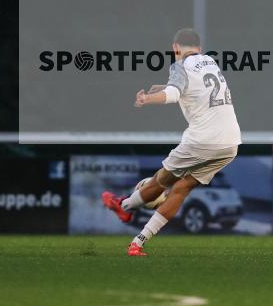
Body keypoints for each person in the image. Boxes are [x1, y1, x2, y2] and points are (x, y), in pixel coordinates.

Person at [102, 28, 241, 256]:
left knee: (161, 180)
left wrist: (148, 98)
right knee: (182, 188)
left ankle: (125, 207)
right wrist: (163, 87)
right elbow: (195, 88)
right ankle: (137, 242)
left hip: (202, 140)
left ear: (175, 48)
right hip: (230, 144)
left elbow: (174, 94)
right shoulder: (210, 62)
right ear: (200, 49)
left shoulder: (179, 66)